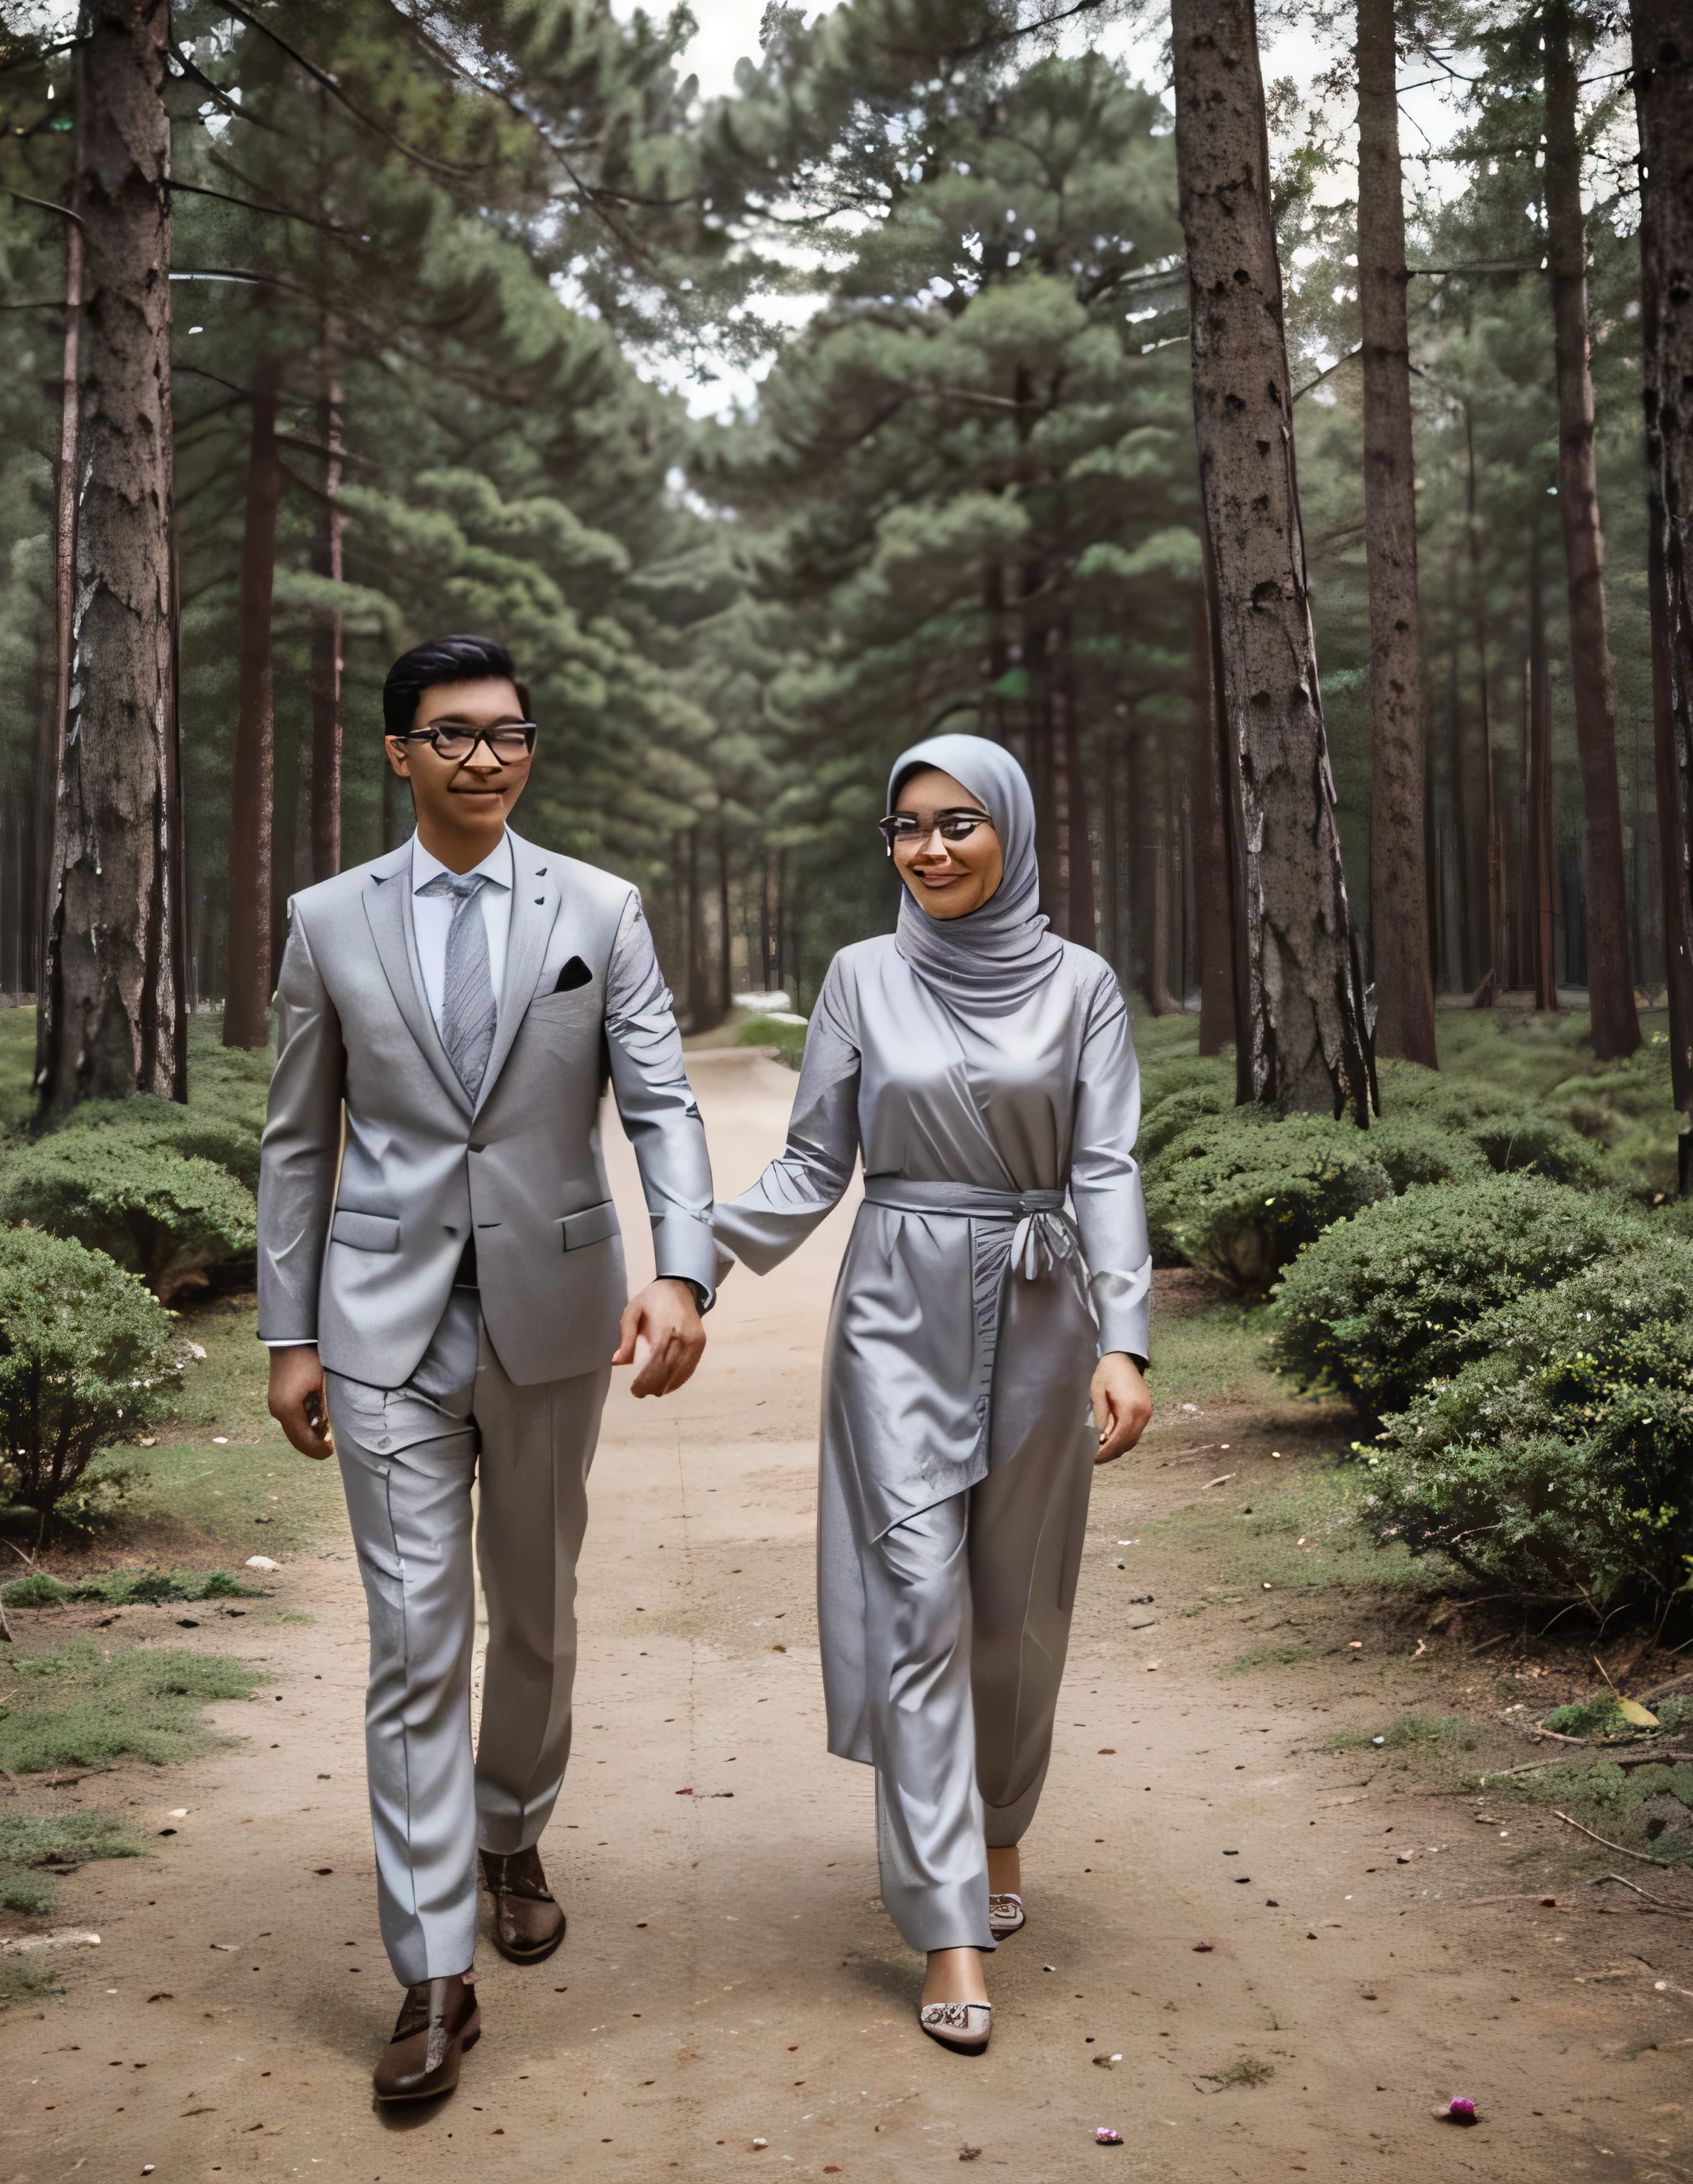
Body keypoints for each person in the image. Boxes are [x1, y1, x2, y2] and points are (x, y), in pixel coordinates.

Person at [257, 634, 715, 2102]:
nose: (484, 757)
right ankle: (432, 1970)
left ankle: (512, 1822)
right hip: (381, 1322)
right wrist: (289, 1334)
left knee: (535, 1609)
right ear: (399, 753)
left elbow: (660, 1099)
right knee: (412, 1641)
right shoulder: (328, 919)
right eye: (453, 735)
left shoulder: (599, 908)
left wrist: (683, 1266)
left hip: (553, 1312)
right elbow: (294, 1138)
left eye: (508, 734)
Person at [711, 732, 1151, 2055]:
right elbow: (810, 1165)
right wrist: (697, 1257)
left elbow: (1109, 1164)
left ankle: (1000, 1819)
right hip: (896, 1305)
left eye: (958, 822)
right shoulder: (860, 977)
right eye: (907, 827)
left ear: (1009, 829)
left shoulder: (1082, 986)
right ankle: (948, 1920)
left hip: (1038, 1301)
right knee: (918, 1602)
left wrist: (1122, 1340)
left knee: (1016, 1608)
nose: (932, 848)